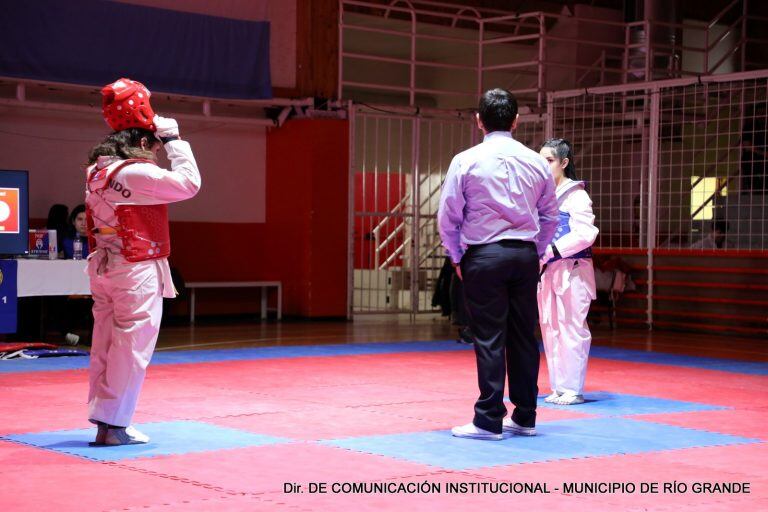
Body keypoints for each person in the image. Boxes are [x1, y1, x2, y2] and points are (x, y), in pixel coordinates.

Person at [85, 78, 201, 446]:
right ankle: (114, 426)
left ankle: (106, 419)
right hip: (133, 268)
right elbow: (189, 184)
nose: (154, 152)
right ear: (139, 143)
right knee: (131, 345)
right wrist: (175, 140)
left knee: (105, 341)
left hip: (104, 265)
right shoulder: (137, 172)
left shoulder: (95, 172)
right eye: (151, 145)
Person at [438, 88, 558, 440]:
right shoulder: (536, 162)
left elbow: (448, 215)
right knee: (523, 335)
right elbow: (550, 216)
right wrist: (535, 251)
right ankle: (525, 416)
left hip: (484, 255)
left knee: (490, 337)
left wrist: (456, 255)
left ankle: (488, 419)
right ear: (516, 121)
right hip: (524, 254)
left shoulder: (466, 160)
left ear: (479, 121)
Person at [537, 139, 599, 406]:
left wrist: (551, 249)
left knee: (571, 326)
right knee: (550, 326)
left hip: (572, 268)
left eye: (549, 160)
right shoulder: (541, 194)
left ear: (564, 163)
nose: (544, 165)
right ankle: (559, 386)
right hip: (547, 269)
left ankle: (573, 387)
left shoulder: (577, 195)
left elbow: (586, 233)